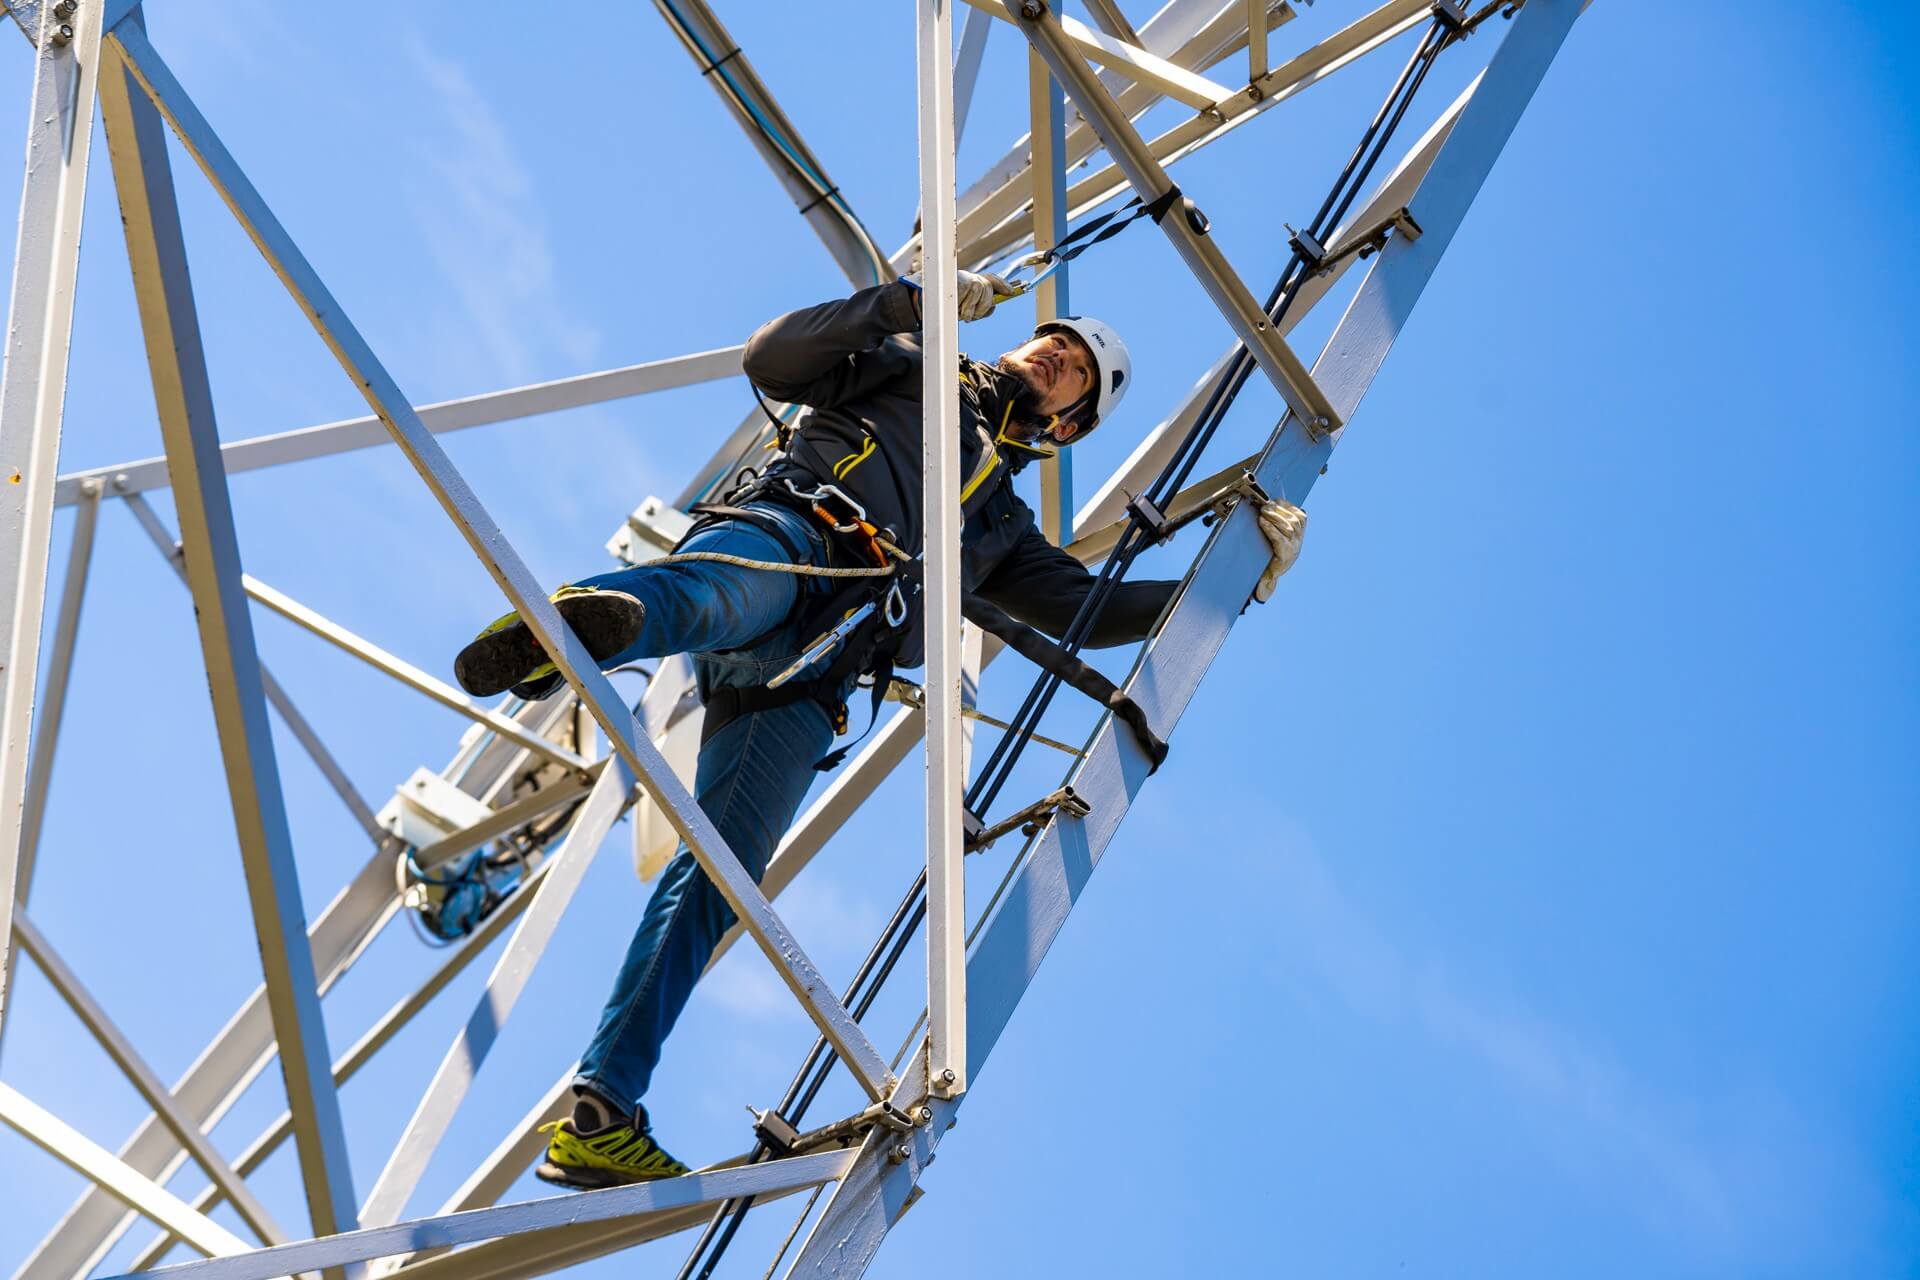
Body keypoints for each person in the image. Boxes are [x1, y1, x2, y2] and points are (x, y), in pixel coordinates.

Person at [450, 271, 1306, 1187]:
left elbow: (1087, 612)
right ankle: (573, 628)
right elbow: (771, 358)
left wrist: (1228, 585)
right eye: (1053, 342)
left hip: (813, 677)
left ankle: (599, 1110)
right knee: (713, 595)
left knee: (720, 879)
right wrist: (906, 303)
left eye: (1075, 374)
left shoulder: (1003, 528)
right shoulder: (909, 366)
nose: (1057, 357)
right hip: (794, 538)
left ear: (1066, 429)